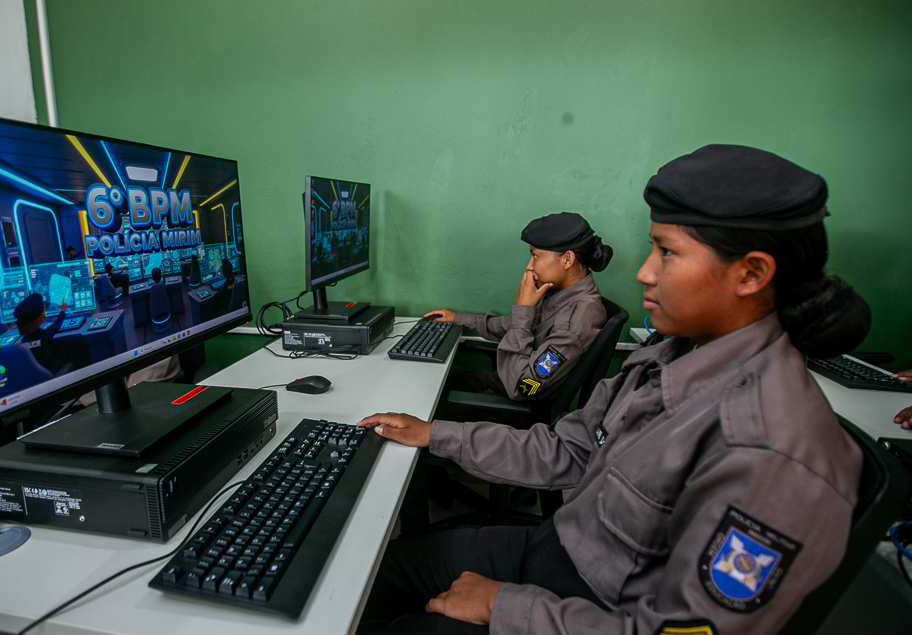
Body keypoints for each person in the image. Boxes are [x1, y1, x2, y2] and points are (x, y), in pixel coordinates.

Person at [357, 145, 871, 635]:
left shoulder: (774, 456)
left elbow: (679, 629)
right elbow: (569, 449)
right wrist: (436, 434)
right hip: (562, 547)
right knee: (375, 573)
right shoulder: (665, 355)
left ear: (752, 273)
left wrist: (505, 606)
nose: (645, 272)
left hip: (591, 604)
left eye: (667, 252)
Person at [426, 212, 612, 416]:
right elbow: (512, 326)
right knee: (430, 386)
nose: (529, 266)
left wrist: (524, 310)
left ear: (567, 259)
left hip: (518, 406)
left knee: (426, 406)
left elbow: (523, 387)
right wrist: (459, 319)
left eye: (535, 256)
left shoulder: (575, 321)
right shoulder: (562, 294)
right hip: (502, 382)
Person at [15, 293, 70, 374]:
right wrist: (62, 310)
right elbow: (57, 324)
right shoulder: (44, 335)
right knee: (68, 352)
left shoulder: (24, 340)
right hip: (50, 370)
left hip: (36, 374)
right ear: (41, 317)